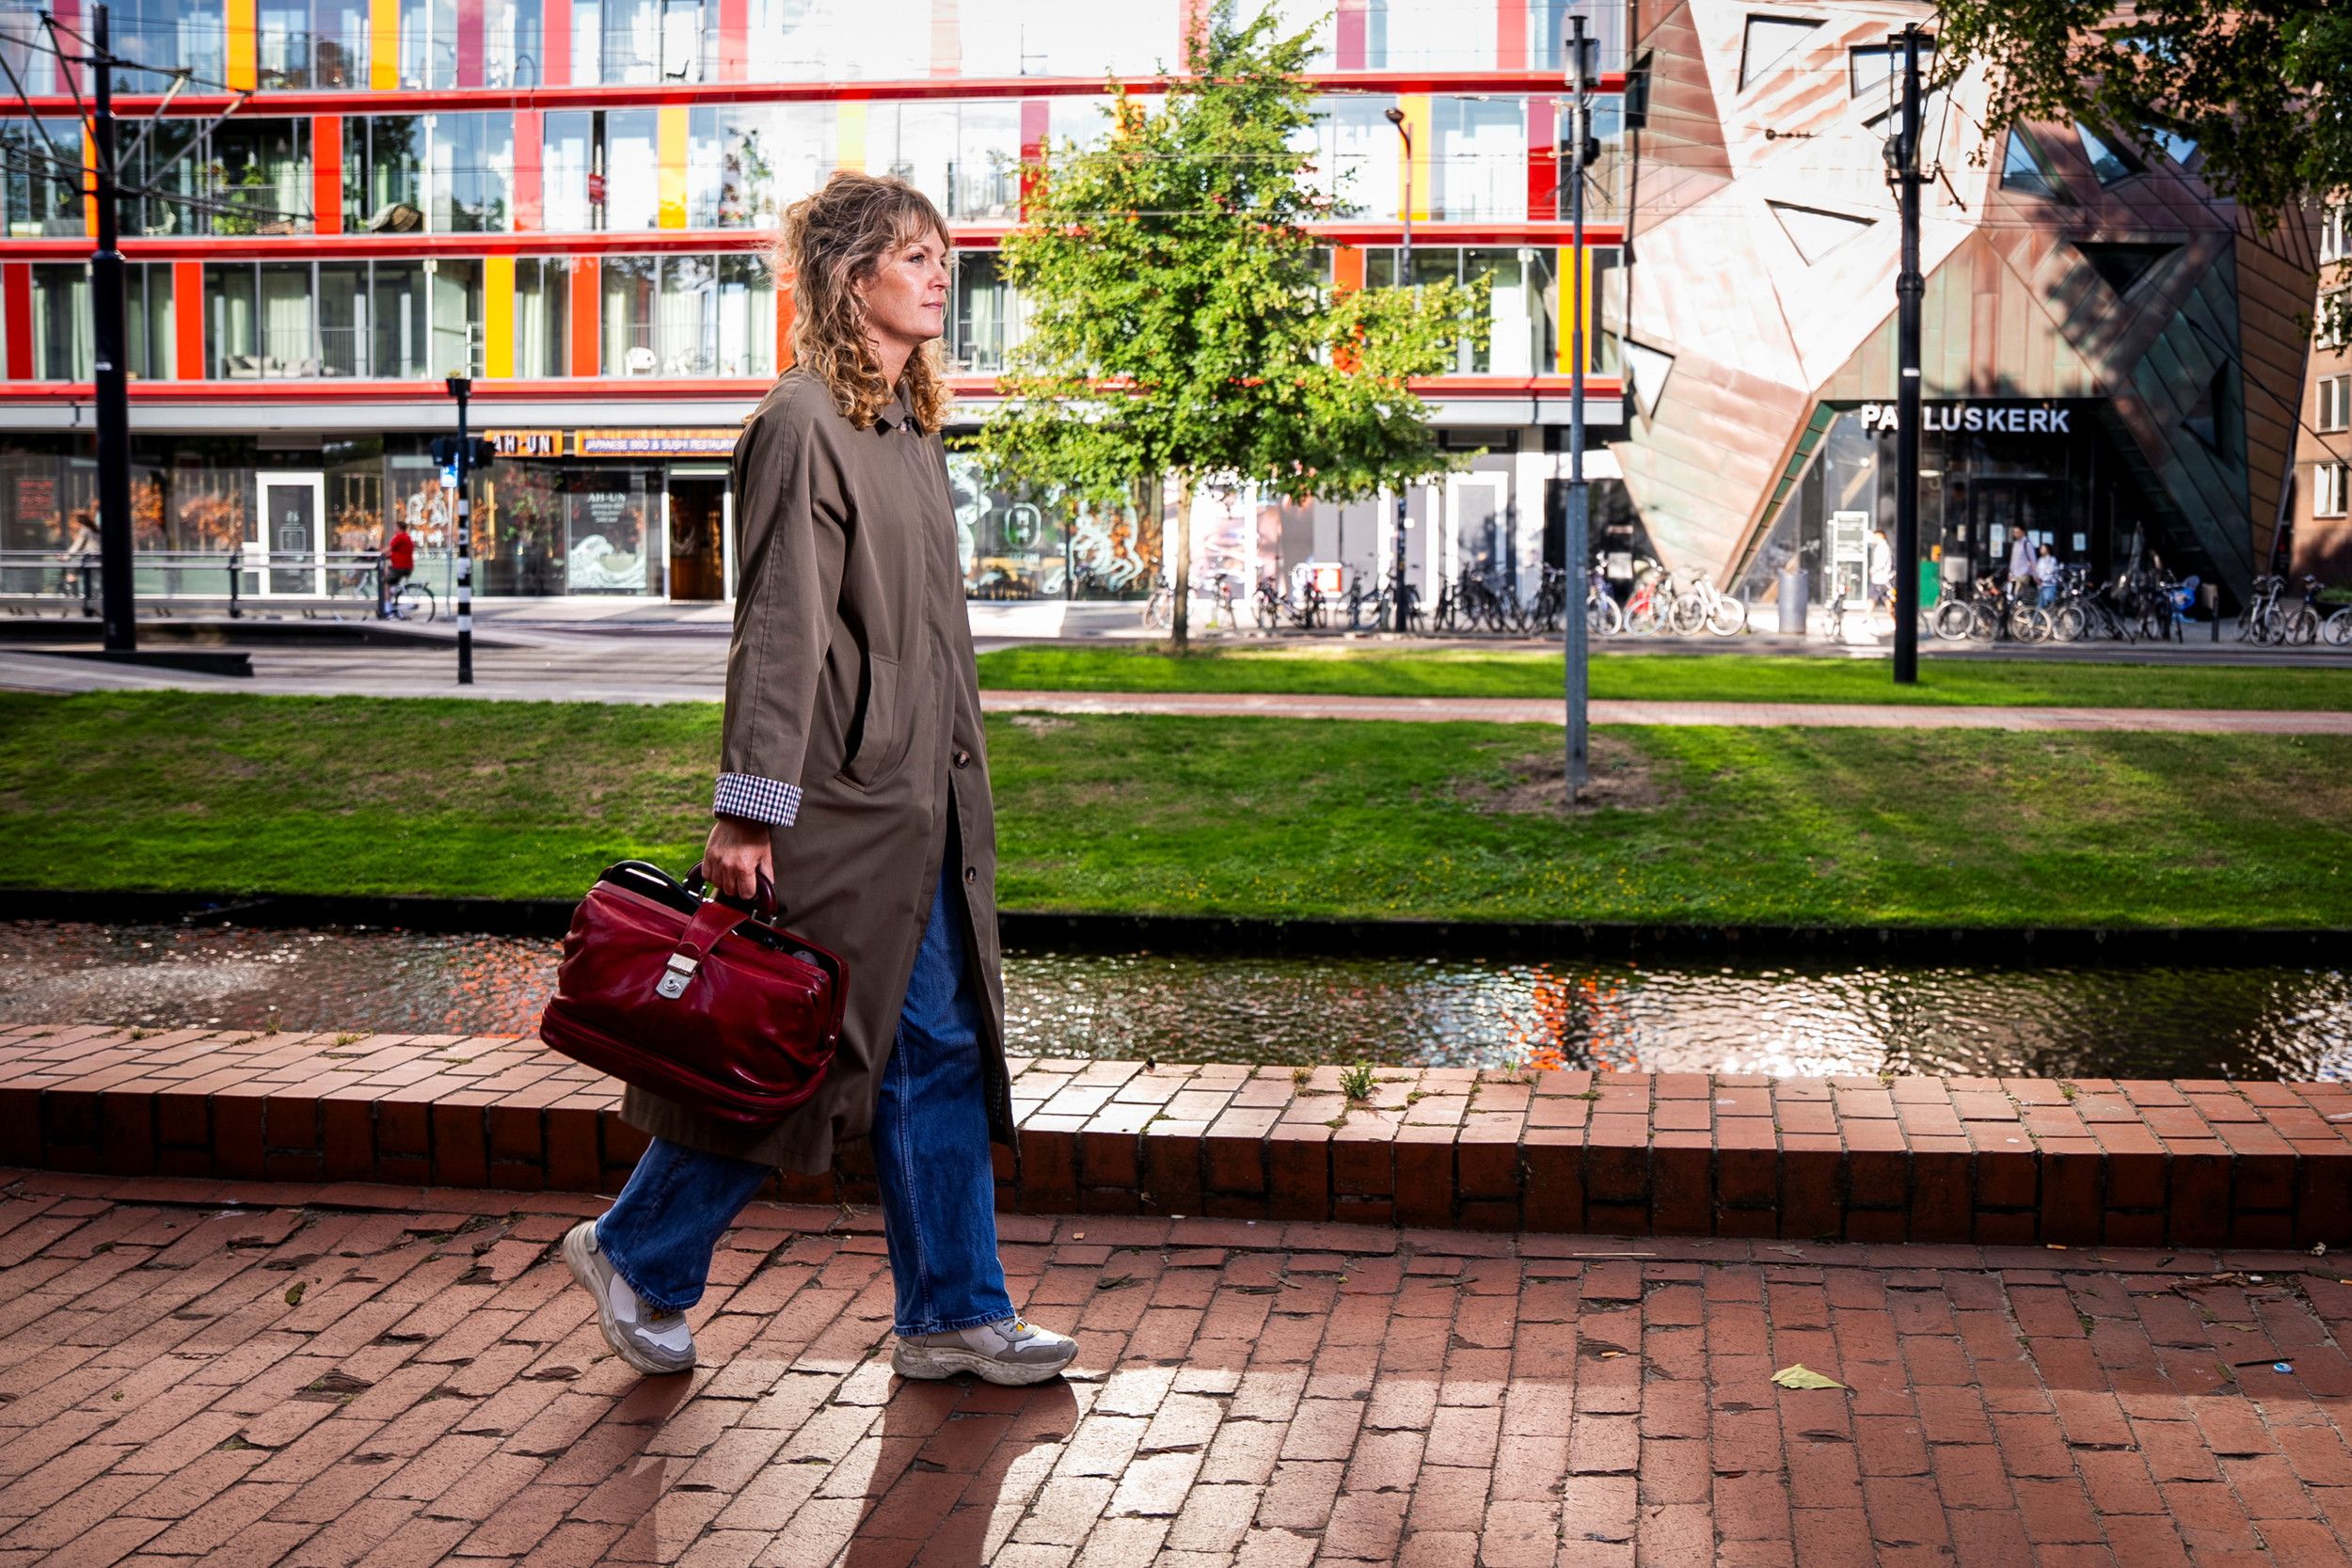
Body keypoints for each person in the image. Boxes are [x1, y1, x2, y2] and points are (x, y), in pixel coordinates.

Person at [562, 171, 1077, 1388]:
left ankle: (952, 1308)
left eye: (943, 254)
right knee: (788, 1048)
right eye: (912, 256)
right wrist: (751, 807)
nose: (940, 273)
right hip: (843, 813)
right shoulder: (803, 424)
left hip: (923, 806)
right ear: (853, 281)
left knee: (939, 1043)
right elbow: (780, 631)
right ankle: (638, 1248)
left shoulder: (905, 428)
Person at [59, 511, 100, 601]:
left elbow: (76, 546)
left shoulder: (85, 530)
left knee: (71, 571)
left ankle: (74, 595)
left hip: (89, 559)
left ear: (79, 522)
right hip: (98, 558)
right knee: (95, 579)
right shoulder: (96, 529)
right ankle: (95, 598)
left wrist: (66, 557)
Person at [1866, 528, 1893, 612]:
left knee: (1887, 600)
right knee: (1872, 598)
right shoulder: (1880, 547)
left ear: (1880, 536)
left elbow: (1881, 563)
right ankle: (1866, 617)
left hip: (1882, 579)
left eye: (1875, 536)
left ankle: (1896, 620)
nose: (1873, 539)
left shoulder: (1883, 547)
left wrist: (1873, 569)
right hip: (1879, 579)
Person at [2033, 543, 2058, 608]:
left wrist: (2042, 579)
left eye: (2043, 549)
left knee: (2048, 605)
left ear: (2048, 550)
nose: (2041, 550)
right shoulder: (2040, 560)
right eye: (2041, 549)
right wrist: (2036, 578)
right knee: (2040, 605)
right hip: (2041, 585)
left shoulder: (2052, 560)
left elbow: (2050, 572)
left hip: (2049, 585)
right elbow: (2037, 571)